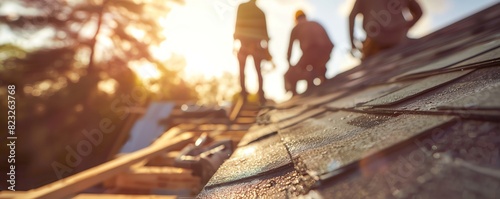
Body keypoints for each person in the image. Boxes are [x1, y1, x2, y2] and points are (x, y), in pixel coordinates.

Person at [349, 0, 423, 60]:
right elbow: (419, 12)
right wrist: (404, 28)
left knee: (367, 56)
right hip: (400, 40)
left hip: (377, 44)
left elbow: (351, 17)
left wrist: (352, 44)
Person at [285, 10, 334, 96]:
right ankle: (319, 71)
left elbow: (289, 52)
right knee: (311, 63)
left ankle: (310, 77)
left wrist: (291, 68)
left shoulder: (296, 28)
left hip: (311, 54)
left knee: (289, 75)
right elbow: (329, 43)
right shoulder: (316, 23)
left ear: (295, 19)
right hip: (326, 53)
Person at [234, 0, 272, 105]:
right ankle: (259, 95)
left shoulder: (243, 7)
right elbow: (265, 33)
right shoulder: (260, 12)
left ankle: (247, 95)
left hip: (248, 45)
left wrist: (235, 41)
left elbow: (237, 25)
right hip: (254, 45)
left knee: (245, 71)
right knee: (257, 71)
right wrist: (267, 50)